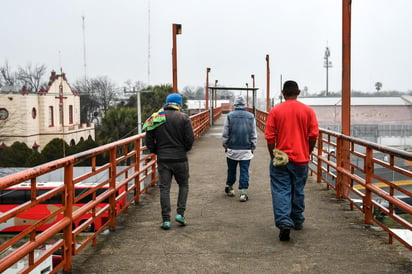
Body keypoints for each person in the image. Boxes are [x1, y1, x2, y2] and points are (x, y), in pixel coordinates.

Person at [264, 80, 319, 241]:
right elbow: (313, 135)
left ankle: (284, 222)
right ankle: (297, 219)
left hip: (281, 158)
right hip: (301, 158)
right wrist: (307, 151)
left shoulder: (275, 111)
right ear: (299, 92)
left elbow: (269, 137)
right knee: (298, 189)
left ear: (283, 93)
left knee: (281, 190)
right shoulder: (308, 111)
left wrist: (273, 155)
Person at [143, 93, 194, 230]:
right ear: (179, 104)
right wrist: (184, 149)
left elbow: (148, 140)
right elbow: (189, 140)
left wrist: (156, 150)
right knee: (183, 185)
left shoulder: (156, 117)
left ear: (167, 103)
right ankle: (180, 214)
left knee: (164, 188)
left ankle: (166, 220)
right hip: (180, 158)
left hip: (163, 159)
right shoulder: (184, 118)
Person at [222, 95, 257, 202]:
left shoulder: (229, 116)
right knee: (244, 171)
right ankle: (243, 192)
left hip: (232, 148)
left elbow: (225, 133)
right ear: (245, 105)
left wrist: (225, 145)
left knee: (231, 169)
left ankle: (230, 188)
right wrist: (253, 146)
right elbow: (253, 134)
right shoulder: (251, 116)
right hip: (246, 149)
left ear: (235, 105)